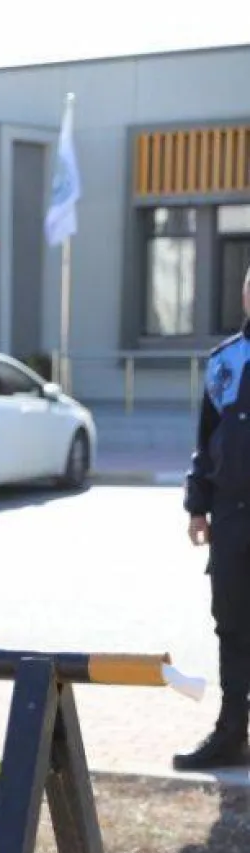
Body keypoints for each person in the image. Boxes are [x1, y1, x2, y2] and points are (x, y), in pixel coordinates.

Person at [179, 265, 250, 772]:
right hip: (232, 518)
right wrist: (197, 505)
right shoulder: (224, 360)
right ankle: (230, 735)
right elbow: (206, 441)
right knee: (232, 626)